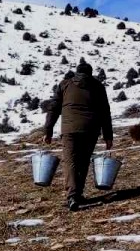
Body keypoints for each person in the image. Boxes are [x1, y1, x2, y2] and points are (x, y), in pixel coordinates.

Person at [44, 60, 113, 211]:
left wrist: (48, 130)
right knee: (83, 161)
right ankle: (77, 194)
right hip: (91, 129)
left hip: (69, 129)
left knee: (71, 161)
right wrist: (108, 136)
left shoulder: (65, 84)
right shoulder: (98, 86)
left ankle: (73, 196)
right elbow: (104, 112)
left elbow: (53, 108)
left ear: (77, 72)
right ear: (90, 73)